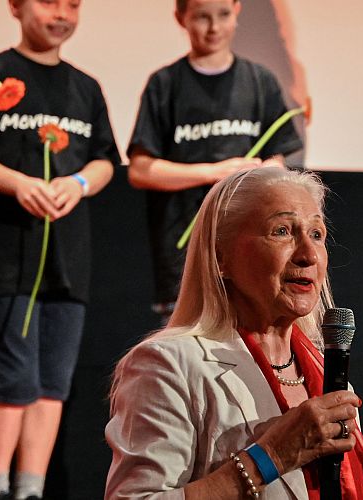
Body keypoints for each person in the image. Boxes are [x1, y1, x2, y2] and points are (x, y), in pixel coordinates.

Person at [106, 167, 363, 500]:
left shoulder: (328, 377)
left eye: (316, 234)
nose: (308, 254)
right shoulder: (167, 366)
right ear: (220, 257)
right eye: (282, 231)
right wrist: (270, 457)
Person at [0, 0, 118, 498]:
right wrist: (18, 183)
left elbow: (105, 160)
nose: (61, 14)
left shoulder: (86, 87)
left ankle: (30, 490)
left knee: (51, 385)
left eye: (72, 4)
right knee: (14, 382)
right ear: (16, 7)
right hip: (9, 256)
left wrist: (78, 183)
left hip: (69, 259)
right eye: (48, 2)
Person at [126, 0, 303, 322]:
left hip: (248, 252)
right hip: (183, 250)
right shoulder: (165, 84)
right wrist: (214, 173)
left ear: (236, 10)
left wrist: (259, 173)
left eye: (223, 15)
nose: (214, 28)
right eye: (201, 17)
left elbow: (277, 160)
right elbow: (141, 170)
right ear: (181, 17)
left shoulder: (260, 81)